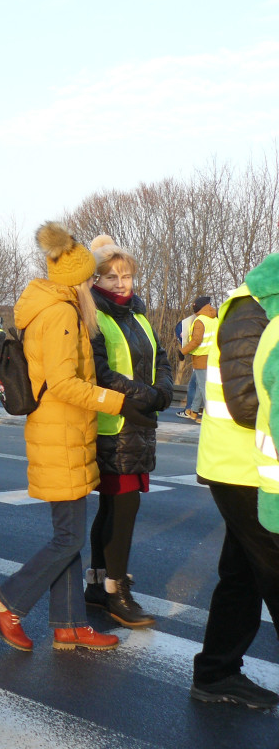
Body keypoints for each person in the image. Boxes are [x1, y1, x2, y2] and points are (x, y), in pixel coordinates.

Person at [0, 222, 155, 654]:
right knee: (68, 538)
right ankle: (8, 602)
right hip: (61, 432)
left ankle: (70, 624)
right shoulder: (60, 313)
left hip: (66, 431)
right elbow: (62, 382)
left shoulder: (54, 305)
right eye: (92, 278)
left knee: (69, 536)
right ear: (78, 279)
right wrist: (116, 402)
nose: (96, 285)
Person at [190, 254, 279, 709]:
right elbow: (248, 403)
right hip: (246, 471)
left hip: (251, 468)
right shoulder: (253, 309)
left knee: (242, 576)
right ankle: (215, 672)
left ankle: (216, 673)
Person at [82, 235, 173, 628]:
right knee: (123, 508)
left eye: (127, 275)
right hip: (114, 425)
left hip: (139, 420)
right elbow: (101, 373)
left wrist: (164, 390)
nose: (121, 283)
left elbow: (163, 356)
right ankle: (116, 590)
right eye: (111, 276)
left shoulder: (137, 315)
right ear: (96, 280)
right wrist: (147, 395)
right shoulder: (94, 317)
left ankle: (98, 584)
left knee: (113, 507)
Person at [178, 295, 217, 422]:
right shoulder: (214, 319)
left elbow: (196, 341)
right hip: (213, 358)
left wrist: (182, 351)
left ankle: (210, 416)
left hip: (201, 358)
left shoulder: (200, 321)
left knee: (204, 388)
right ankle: (194, 411)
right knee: (201, 385)